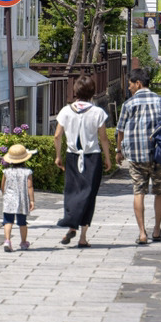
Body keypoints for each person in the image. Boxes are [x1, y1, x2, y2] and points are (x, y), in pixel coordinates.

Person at [116, 68, 161, 245]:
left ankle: (142, 233)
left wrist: (118, 151)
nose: (129, 88)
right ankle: (157, 231)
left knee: (138, 191)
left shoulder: (128, 104)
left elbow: (120, 131)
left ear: (138, 83)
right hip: (159, 155)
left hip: (137, 157)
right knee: (159, 192)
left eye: (130, 84)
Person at [54, 75, 112, 248]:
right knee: (89, 195)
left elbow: (57, 135)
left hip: (72, 156)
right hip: (92, 157)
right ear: (92, 92)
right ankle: (83, 237)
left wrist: (58, 155)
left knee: (72, 191)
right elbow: (103, 138)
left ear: (75, 91)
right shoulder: (98, 112)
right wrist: (108, 158)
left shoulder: (65, 110)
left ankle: (71, 225)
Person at [0, 144, 36, 252]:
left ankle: (7, 240)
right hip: (22, 200)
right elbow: (30, 186)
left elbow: (3, 186)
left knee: (7, 221)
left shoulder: (6, 172)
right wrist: (32, 200)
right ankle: (24, 242)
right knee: (22, 222)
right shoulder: (27, 172)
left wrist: (4, 194)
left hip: (9, 199)